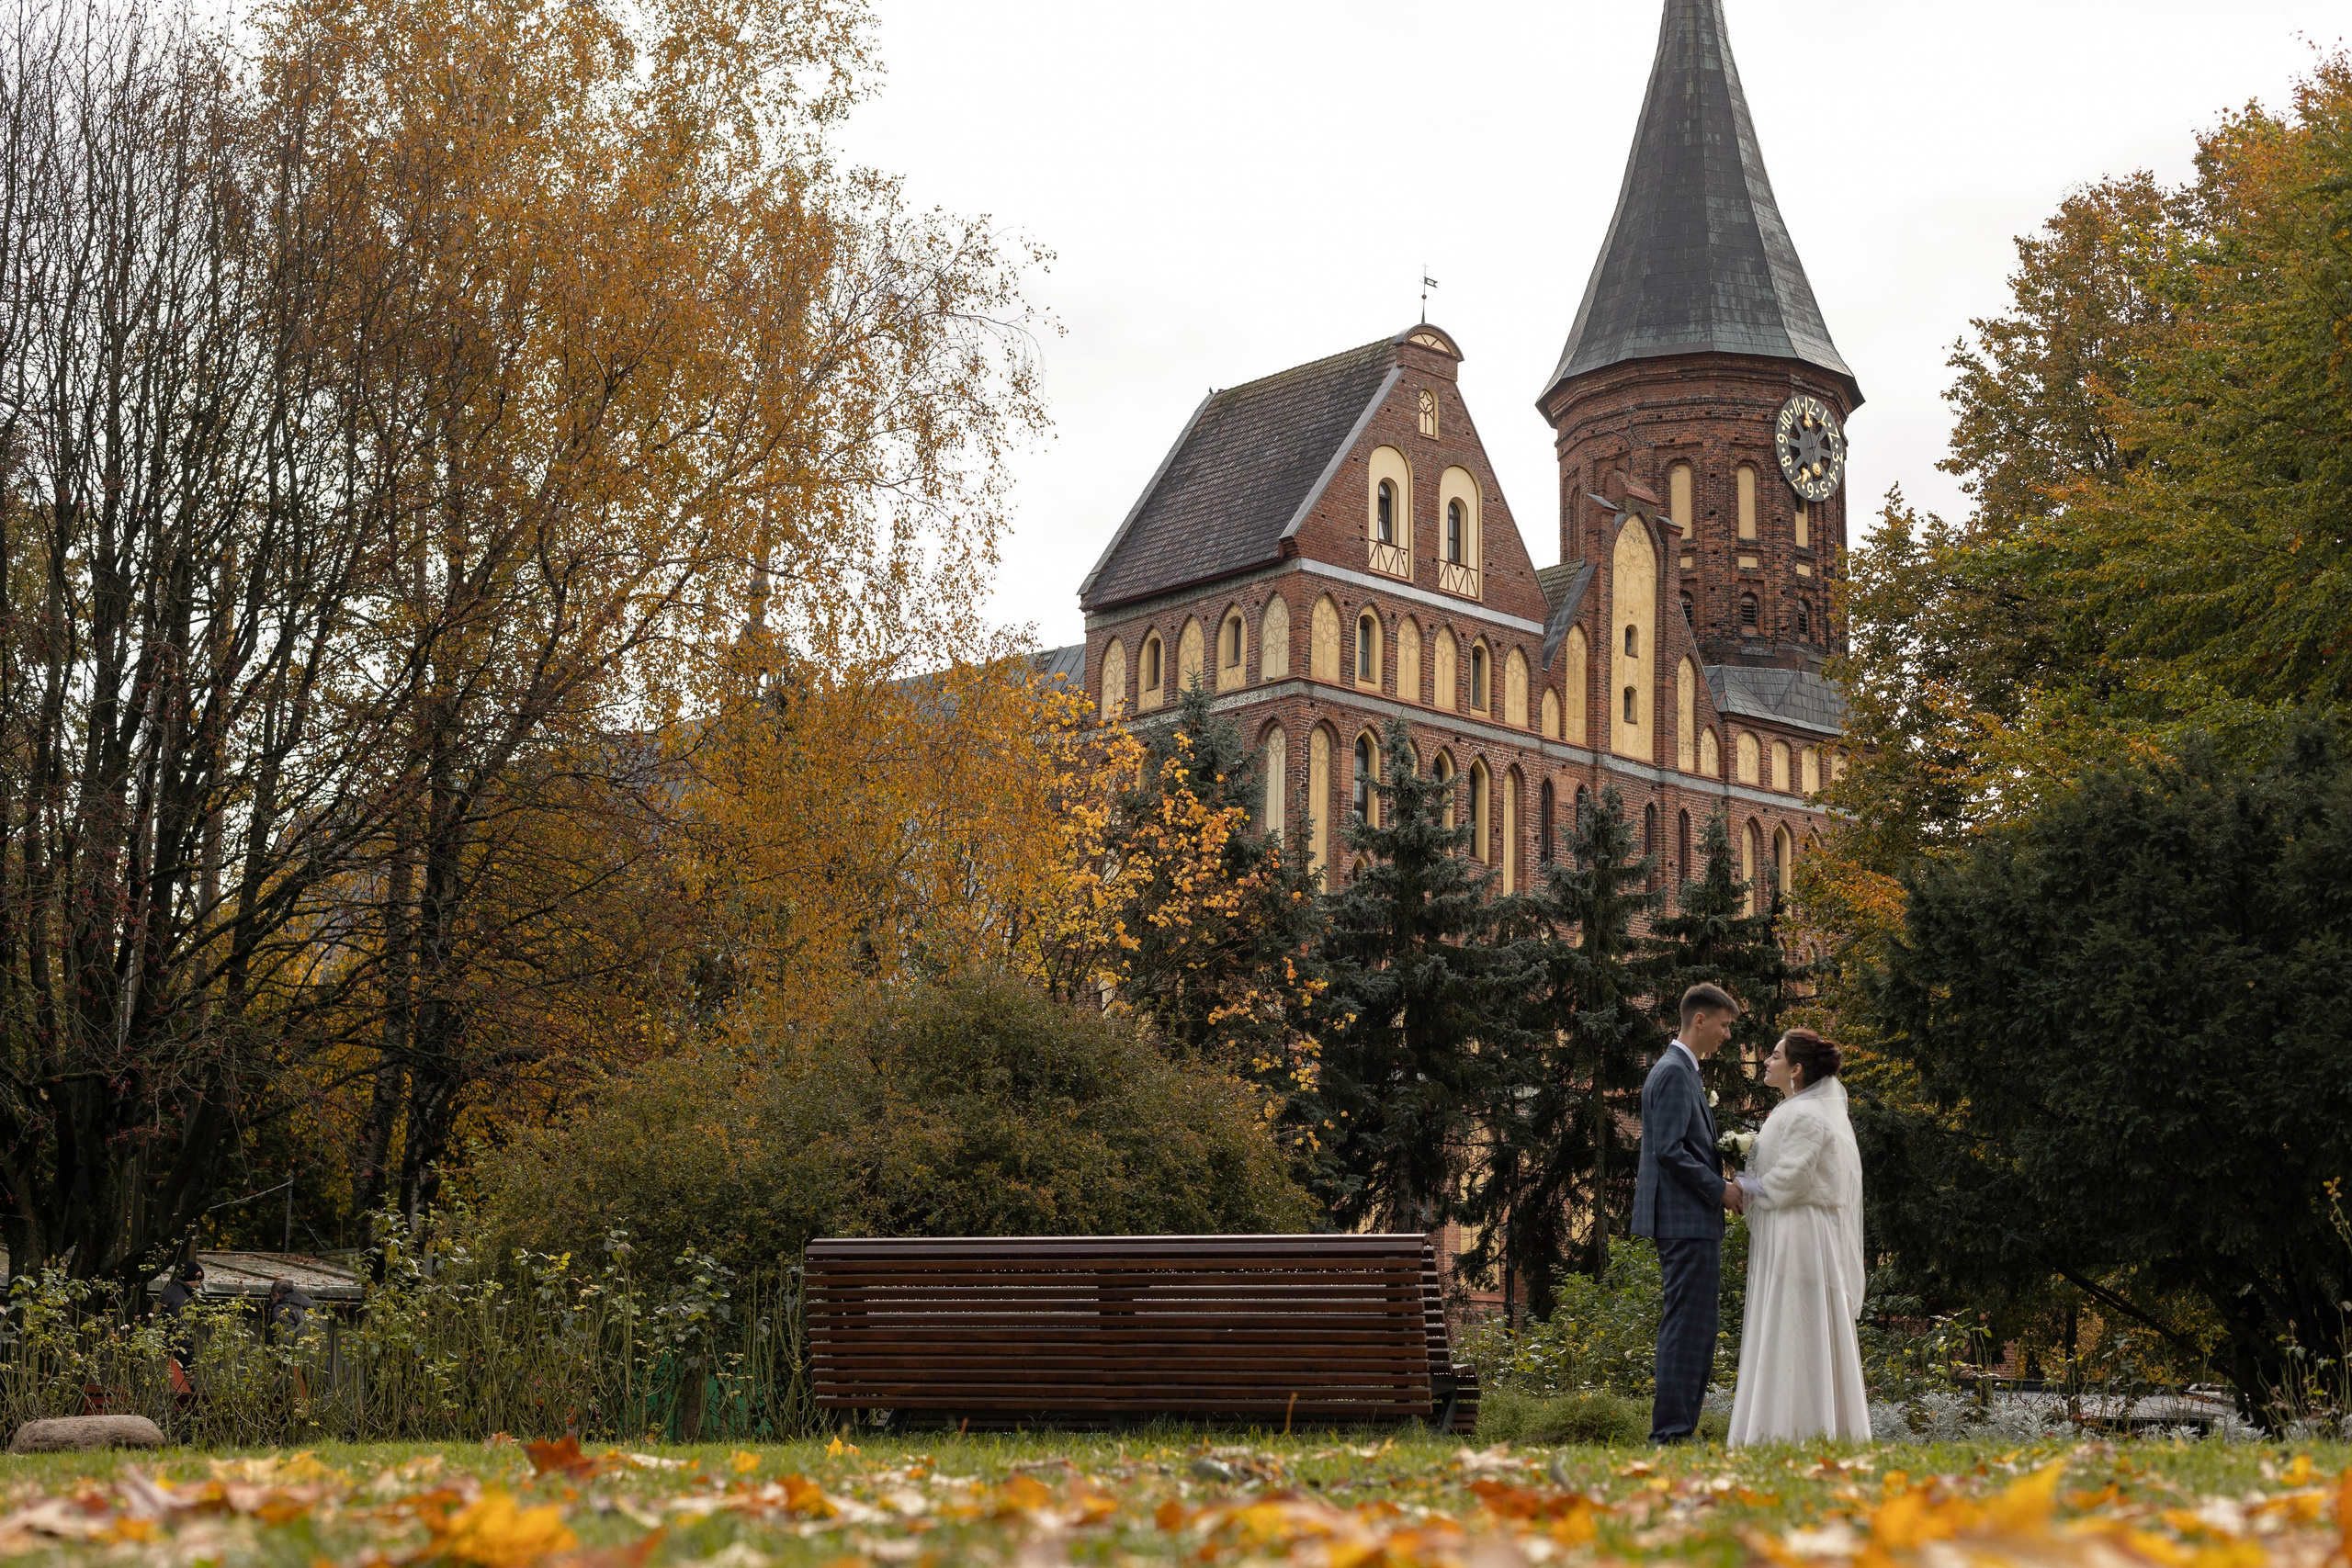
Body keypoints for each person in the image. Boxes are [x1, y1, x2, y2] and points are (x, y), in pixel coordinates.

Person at [1724, 1027, 1871, 1446]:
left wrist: (1742, 1188)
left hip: (1801, 1232)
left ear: (1797, 1069)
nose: (1767, 1061)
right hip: (1789, 1227)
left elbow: (1791, 1178)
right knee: (1789, 1321)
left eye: (1775, 1056)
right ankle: (1793, 1427)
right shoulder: (1794, 1111)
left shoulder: (1805, 1115)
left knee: (1795, 1323)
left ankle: (1795, 1431)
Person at [1634, 983, 1746, 1444]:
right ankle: (1671, 1435)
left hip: (1687, 1219)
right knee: (1687, 1327)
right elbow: (1669, 1152)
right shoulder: (1676, 1072)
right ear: (1699, 1020)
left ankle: (1678, 1432)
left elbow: (1682, 1147)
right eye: (1723, 1025)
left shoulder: (1681, 1070)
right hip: (1685, 1220)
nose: (1726, 1035)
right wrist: (1719, 1188)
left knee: (1696, 1327)